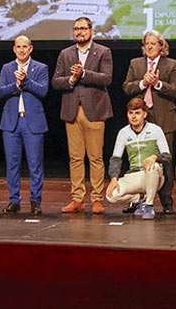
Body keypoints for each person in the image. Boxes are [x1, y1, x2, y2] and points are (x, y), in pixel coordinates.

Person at [52, 17, 113, 214]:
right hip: (72, 111)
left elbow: (106, 78)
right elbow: (55, 81)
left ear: (91, 31)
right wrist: (71, 79)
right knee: (75, 157)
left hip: (94, 110)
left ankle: (96, 198)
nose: (79, 32)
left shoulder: (103, 51)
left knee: (95, 157)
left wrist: (84, 74)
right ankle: (77, 198)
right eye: (76, 29)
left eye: (83, 28)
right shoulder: (65, 53)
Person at [122, 30, 176, 214]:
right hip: (140, 120)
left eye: (153, 43)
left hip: (164, 118)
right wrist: (142, 83)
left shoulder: (172, 64)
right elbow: (126, 87)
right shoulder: (135, 63)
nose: (149, 46)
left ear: (161, 46)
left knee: (165, 160)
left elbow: (175, 90)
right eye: (147, 43)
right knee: (138, 159)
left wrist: (157, 84)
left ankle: (166, 202)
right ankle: (137, 201)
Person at [0, 35, 49, 216]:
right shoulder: (7, 68)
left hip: (32, 122)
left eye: (24, 47)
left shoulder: (41, 68)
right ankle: (14, 200)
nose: (21, 50)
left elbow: (43, 90)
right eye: (18, 47)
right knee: (12, 164)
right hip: (11, 122)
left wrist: (25, 81)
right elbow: (1, 91)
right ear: (14, 49)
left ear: (30, 48)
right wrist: (16, 85)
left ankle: (35, 201)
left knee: (35, 164)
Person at [106, 98, 171, 220]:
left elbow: (167, 156)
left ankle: (149, 205)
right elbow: (115, 158)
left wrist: (154, 157)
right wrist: (114, 178)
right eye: (130, 113)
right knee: (111, 195)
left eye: (137, 113)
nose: (133, 117)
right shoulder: (123, 133)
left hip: (154, 175)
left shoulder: (155, 130)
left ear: (144, 114)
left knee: (153, 167)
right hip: (135, 176)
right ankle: (138, 199)